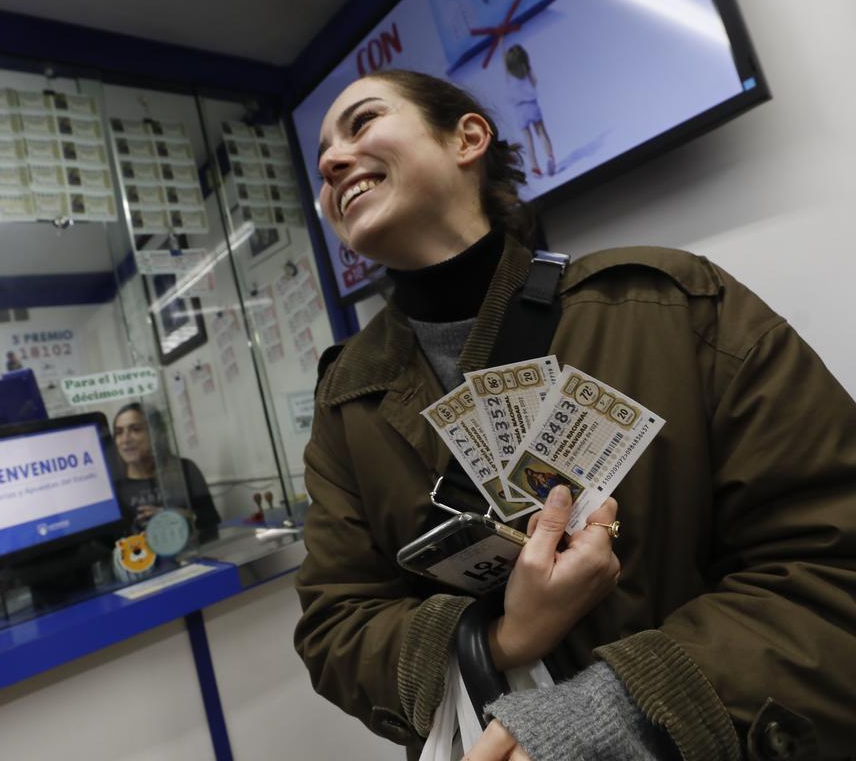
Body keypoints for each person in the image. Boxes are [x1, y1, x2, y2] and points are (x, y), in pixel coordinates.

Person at [295, 69, 856, 760]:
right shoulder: (345, 401)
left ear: (467, 138)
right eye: (322, 155)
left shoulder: (674, 308)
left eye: (362, 122)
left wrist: (630, 712)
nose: (329, 162)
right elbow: (336, 627)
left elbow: (830, 563)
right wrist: (502, 638)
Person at [112, 403, 220, 543]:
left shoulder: (184, 469)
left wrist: (173, 516)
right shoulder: (114, 487)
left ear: (156, 434)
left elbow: (211, 523)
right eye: (119, 432)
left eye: (135, 429)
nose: (125, 439)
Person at [504, 44, 556, 178]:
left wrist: (501, 43)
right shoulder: (526, 72)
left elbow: (505, 64)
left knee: (528, 140)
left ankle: (535, 168)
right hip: (531, 105)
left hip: (519, 110)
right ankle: (550, 157)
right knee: (542, 133)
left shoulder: (509, 75)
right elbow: (534, 81)